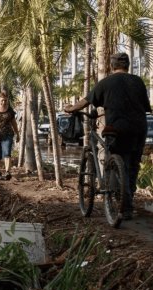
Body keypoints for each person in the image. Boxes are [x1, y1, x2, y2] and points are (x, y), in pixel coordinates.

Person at [64, 52, 152, 220]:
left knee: (120, 163)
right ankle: (127, 201)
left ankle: (123, 207)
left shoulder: (105, 82)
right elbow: (147, 107)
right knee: (133, 165)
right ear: (127, 66)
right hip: (139, 128)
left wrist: (70, 109)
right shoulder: (138, 81)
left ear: (112, 66)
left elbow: (86, 101)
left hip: (117, 128)